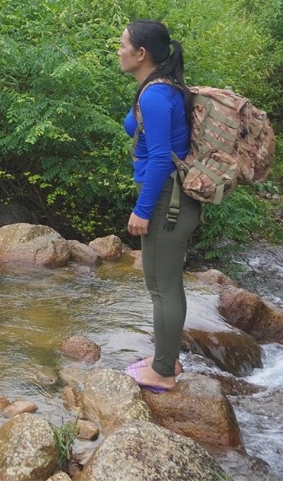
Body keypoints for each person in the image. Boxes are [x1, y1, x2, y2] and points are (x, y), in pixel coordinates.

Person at [117, 19, 199, 393]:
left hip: (168, 200)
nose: (119, 52)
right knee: (161, 284)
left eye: (123, 46)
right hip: (172, 197)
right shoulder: (160, 90)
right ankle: (168, 358)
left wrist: (142, 209)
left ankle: (164, 371)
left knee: (163, 287)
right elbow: (131, 127)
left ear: (141, 54)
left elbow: (161, 161)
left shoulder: (153, 95)